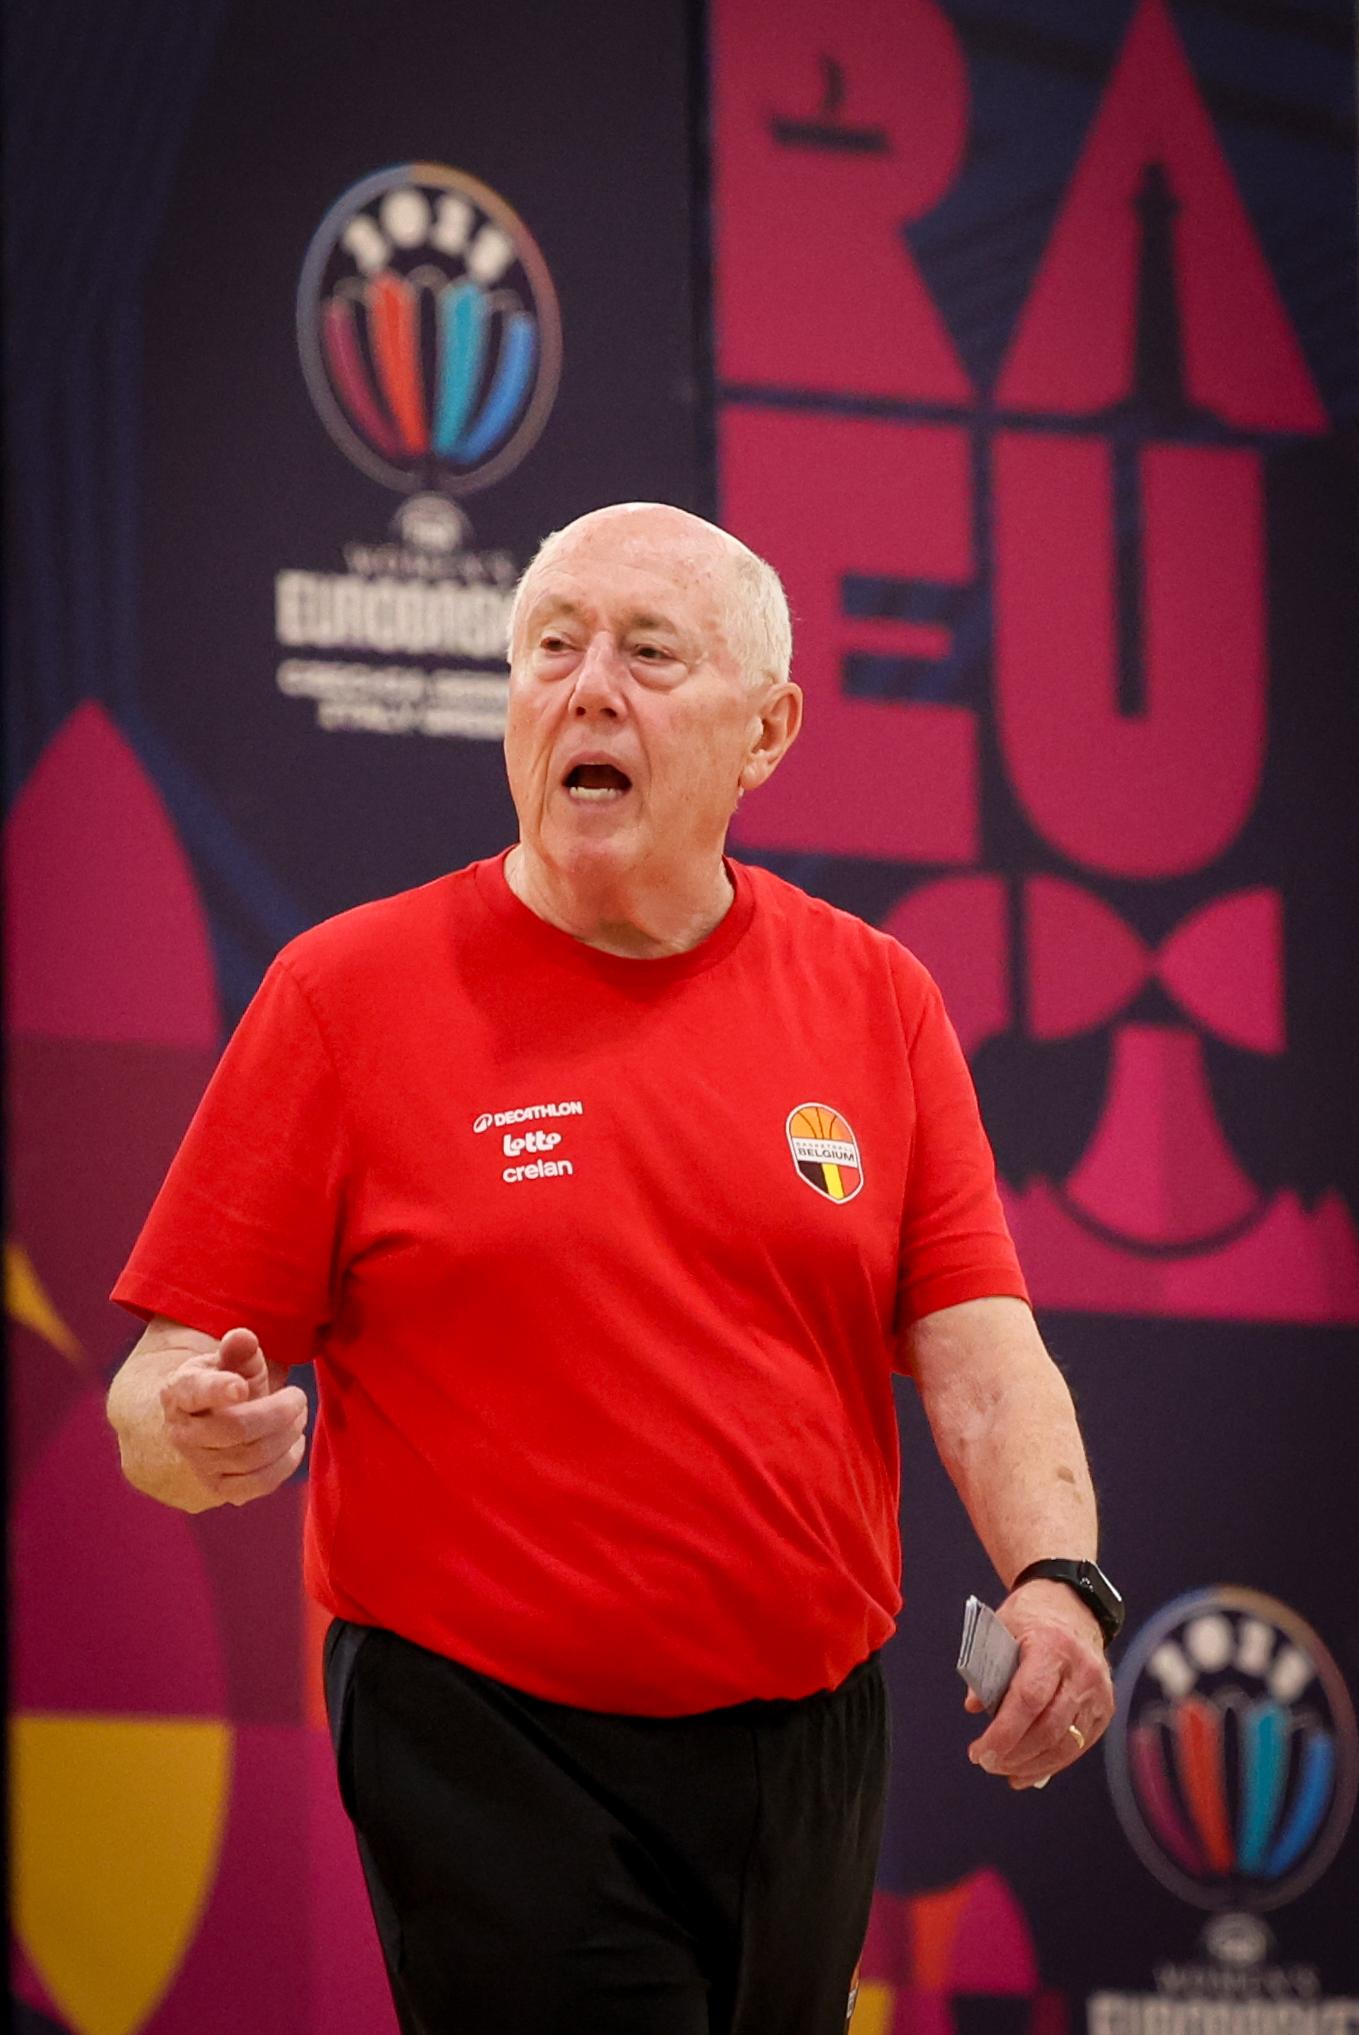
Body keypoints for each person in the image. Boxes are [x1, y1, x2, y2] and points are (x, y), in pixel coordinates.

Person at [106, 502, 1119, 2035]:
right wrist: (190, 1426)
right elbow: (153, 1393)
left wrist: (1060, 1580)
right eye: (551, 649)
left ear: (767, 731)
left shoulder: (877, 998)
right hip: (486, 1735)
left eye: (649, 654)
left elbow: (982, 1356)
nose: (588, 689)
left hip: (810, 1738)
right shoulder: (343, 995)